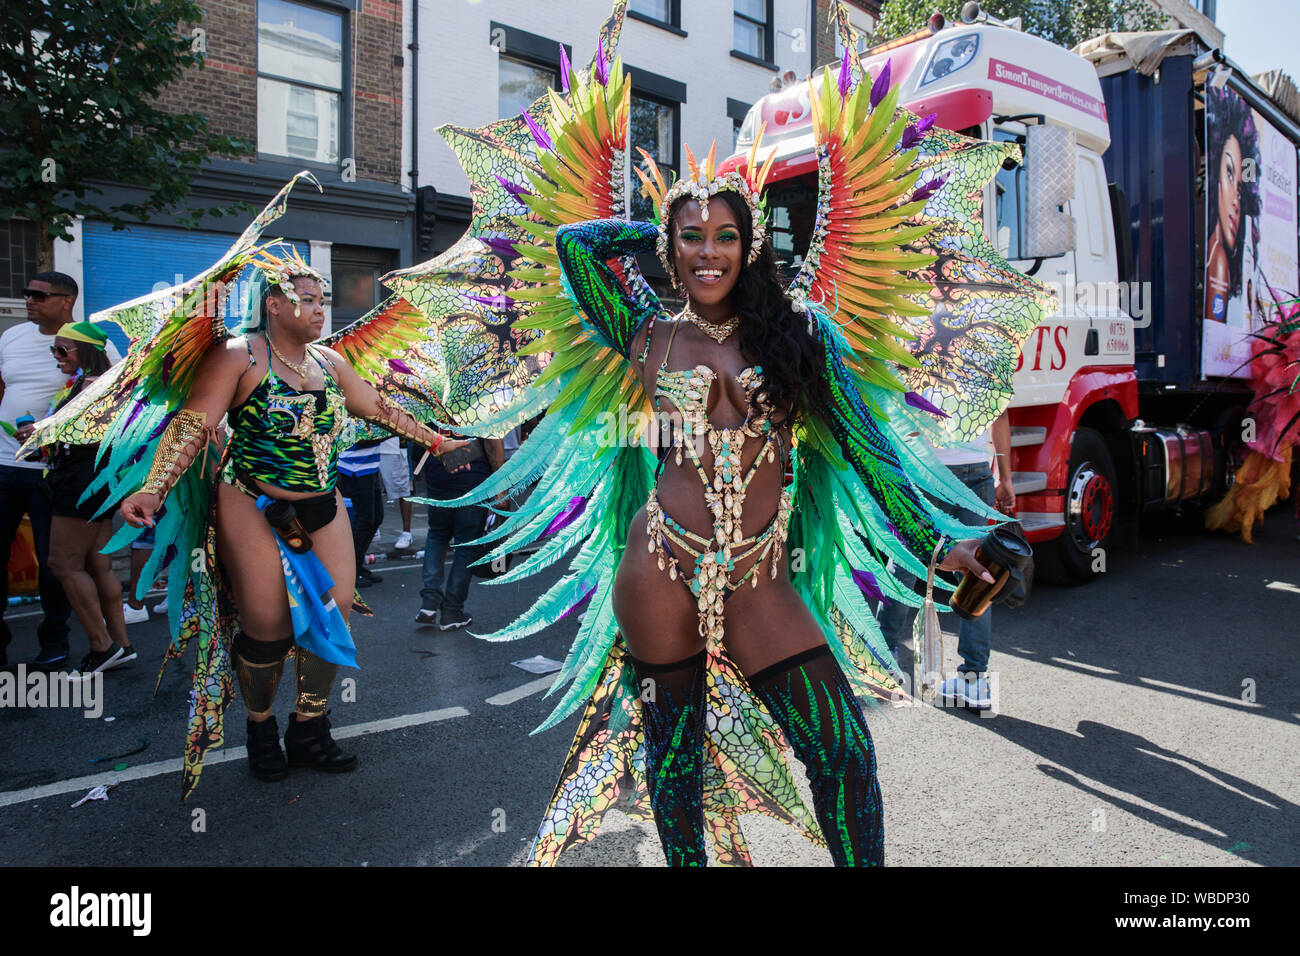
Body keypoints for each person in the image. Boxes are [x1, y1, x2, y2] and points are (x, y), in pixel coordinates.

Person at [112, 245, 468, 793]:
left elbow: (377, 409)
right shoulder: (240, 357)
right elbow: (193, 424)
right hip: (250, 501)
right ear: (274, 304)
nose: (319, 309)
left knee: (332, 614)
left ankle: (308, 727)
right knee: (268, 626)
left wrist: (437, 440)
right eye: (307, 300)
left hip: (321, 502)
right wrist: (153, 488)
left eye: (322, 300)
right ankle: (260, 729)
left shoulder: (329, 362)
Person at [877, 411, 1013, 710]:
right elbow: (1000, 416)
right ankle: (974, 680)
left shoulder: (921, 362)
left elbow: (898, 414)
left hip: (927, 468)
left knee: (908, 562)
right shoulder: (987, 362)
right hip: (976, 471)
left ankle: (884, 660)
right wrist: (1005, 477)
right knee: (978, 574)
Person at [38, 322, 136, 678]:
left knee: (62, 564)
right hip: (93, 478)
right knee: (99, 564)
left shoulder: (100, 386)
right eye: (55, 350)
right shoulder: (92, 383)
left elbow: (96, 434)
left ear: (86, 351)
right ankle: (120, 645)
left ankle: (101, 646)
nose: (57, 357)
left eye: (63, 350)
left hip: (84, 480)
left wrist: (46, 431)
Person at [0, 272, 80, 671]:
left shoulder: (85, 338)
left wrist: (50, 430)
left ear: (66, 301)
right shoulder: (12, 337)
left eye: (39, 295)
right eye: (27, 294)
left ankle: (55, 642)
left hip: (51, 470)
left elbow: (105, 397)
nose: (29, 300)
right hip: (2, 462)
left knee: (53, 561)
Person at [414, 431, 503, 630]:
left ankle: (429, 602)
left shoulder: (434, 399)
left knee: (437, 535)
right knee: (466, 545)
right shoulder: (481, 400)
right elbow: (492, 441)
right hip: (472, 479)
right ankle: (452, 610)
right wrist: (501, 484)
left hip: (438, 475)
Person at [1204, 88, 1261, 323]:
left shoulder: (1224, 262)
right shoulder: (1217, 261)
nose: (1236, 201)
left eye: (1240, 187)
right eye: (1229, 173)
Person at [338, 436, 385, 588]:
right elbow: (361, 441)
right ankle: (351, 570)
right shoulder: (354, 413)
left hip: (369, 465)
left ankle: (358, 564)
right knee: (364, 520)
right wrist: (392, 433)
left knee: (376, 517)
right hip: (355, 467)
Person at [378, 435, 415, 550]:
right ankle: (374, 528)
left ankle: (406, 533)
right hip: (370, 446)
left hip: (393, 446)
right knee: (372, 487)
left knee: (403, 489)